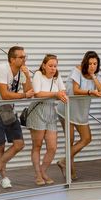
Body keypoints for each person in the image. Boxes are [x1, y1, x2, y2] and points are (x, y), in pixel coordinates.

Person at [0, 46, 32, 191]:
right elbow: (5, 94)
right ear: (12, 59)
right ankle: (3, 178)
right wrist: (24, 95)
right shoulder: (2, 69)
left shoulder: (21, 71)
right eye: (21, 57)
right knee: (0, 145)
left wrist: (28, 76)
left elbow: (29, 91)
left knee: (19, 143)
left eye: (25, 57)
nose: (24, 59)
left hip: (9, 110)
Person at [27, 54, 67, 186]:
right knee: (37, 145)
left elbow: (63, 91)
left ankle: (43, 171)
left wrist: (58, 94)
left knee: (52, 147)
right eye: (50, 65)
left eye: (55, 66)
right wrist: (55, 94)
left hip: (51, 110)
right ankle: (38, 174)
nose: (53, 68)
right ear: (44, 65)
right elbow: (38, 93)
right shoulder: (38, 74)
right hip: (38, 110)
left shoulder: (57, 76)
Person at [67, 51, 101, 181]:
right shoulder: (77, 70)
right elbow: (75, 91)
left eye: (95, 63)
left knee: (86, 138)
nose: (92, 66)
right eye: (90, 63)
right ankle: (70, 171)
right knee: (69, 141)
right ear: (85, 62)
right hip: (68, 110)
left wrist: (93, 77)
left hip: (81, 111)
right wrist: (90, 92)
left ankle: (64, 161)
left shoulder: (94, 74)